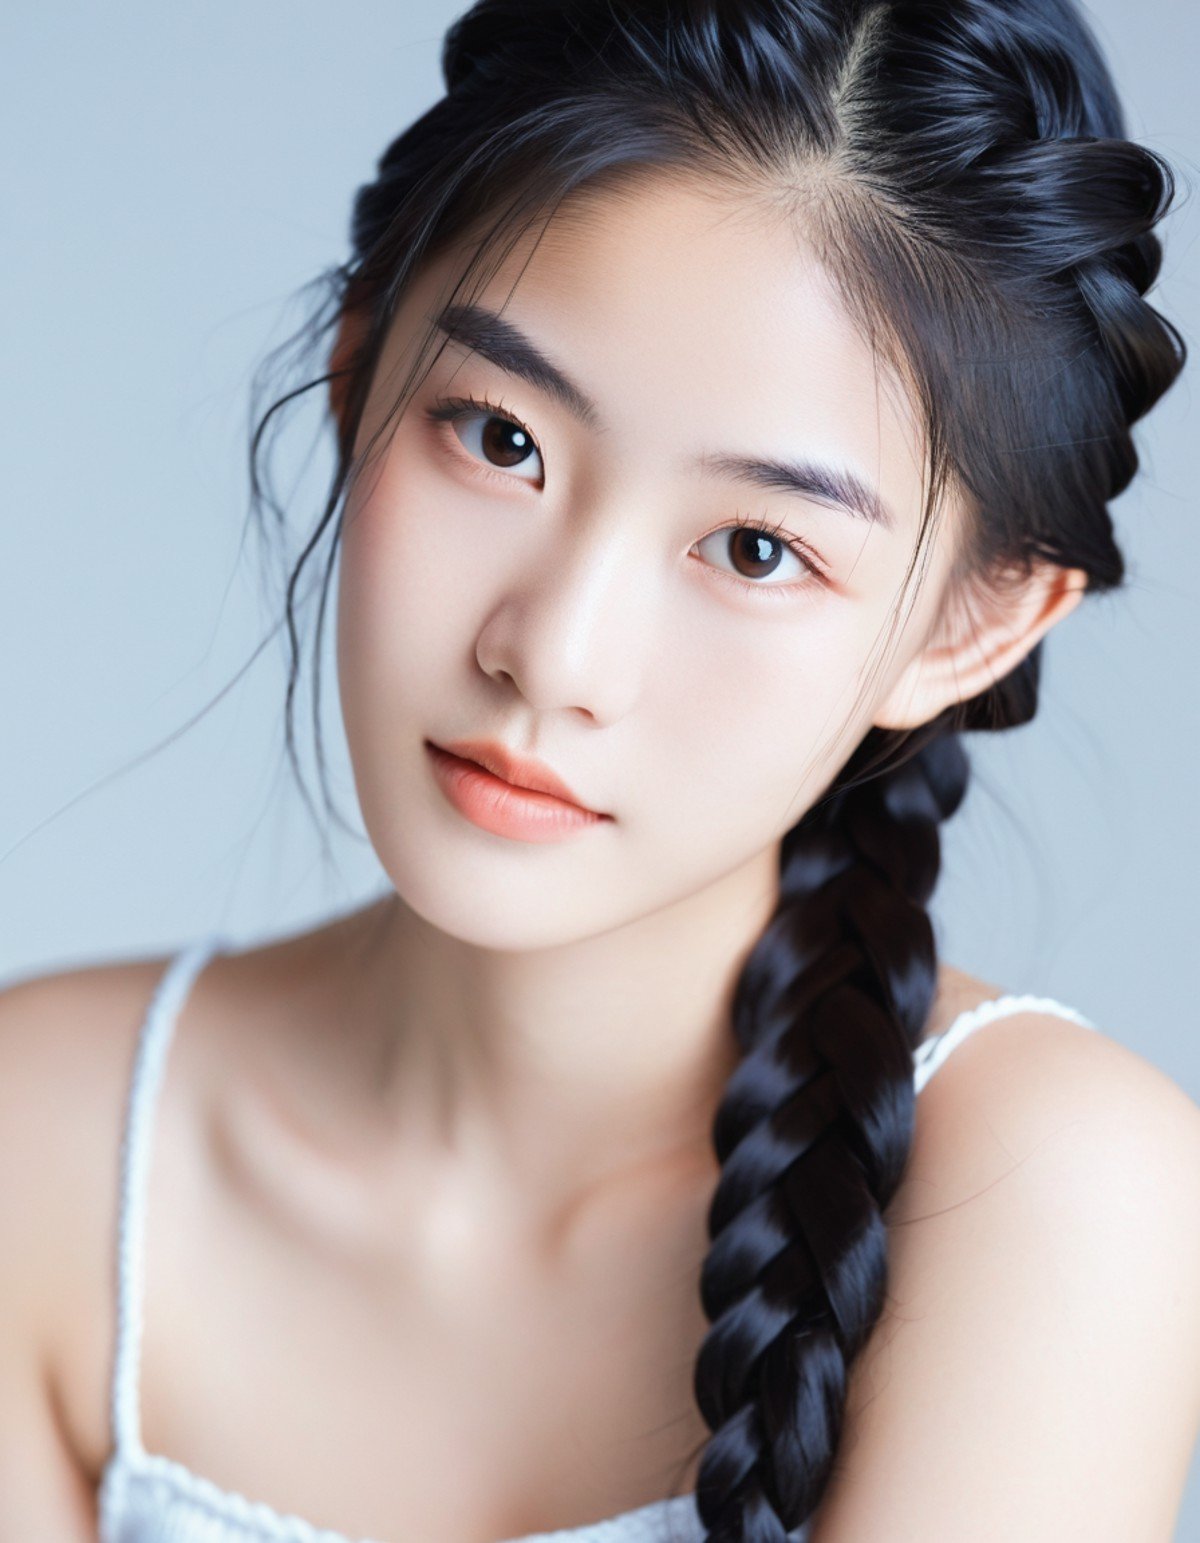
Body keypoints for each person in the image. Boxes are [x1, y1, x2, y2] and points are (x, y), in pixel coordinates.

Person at [3, 0, 1200, 1538]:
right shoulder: (50, 1142)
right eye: (501, 439)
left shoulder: (1052, 1198)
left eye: (758, 549)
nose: (554, 656)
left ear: (971, 627)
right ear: (360, 373)